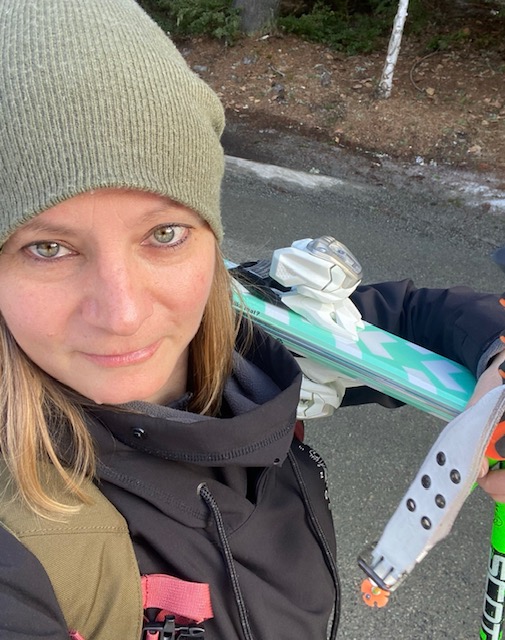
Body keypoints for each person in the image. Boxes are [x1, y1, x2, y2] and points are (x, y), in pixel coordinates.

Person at [0, 1, 503, 639]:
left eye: (165, 233)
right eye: (48, 248)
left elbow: (417, 318)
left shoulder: (246, 346)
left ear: (212, 241)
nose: (123, 314)